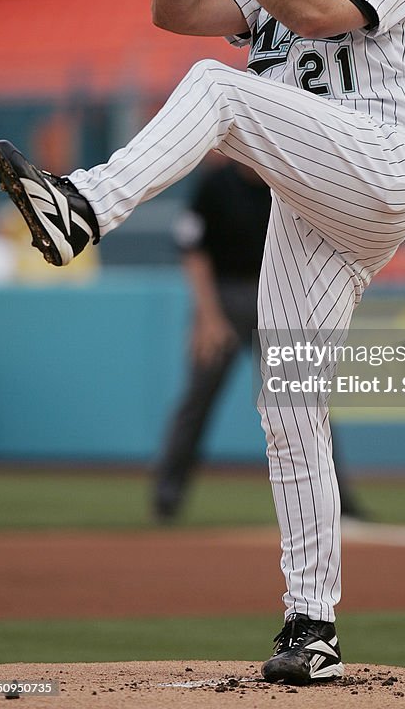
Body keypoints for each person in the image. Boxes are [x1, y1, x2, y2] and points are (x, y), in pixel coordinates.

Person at [0, 0, 405, 685]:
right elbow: (175, 13)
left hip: (386, 163)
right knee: (289, 405)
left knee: (214, 88)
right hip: (315, 197)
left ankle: (85, 206)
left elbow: (316, 14)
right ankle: (313, 628)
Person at [154, 156, 364, 524]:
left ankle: (339, 503)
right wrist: (207, 317)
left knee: (306, 403)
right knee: (198, 401)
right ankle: (166, 499)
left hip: (282, 298)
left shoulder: (287, 179)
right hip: (226, 300)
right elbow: (194, 251)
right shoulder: (215, 185)